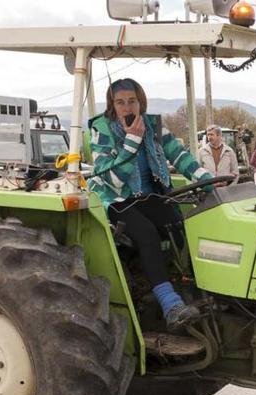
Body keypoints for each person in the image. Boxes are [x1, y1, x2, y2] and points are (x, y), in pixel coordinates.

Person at [88, 78, 212, 327]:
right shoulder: (102, 130)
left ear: (140, 101)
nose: (127, 108)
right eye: (120, 102)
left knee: (181, 225)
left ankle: (193, 289)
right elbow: (111, 179)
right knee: (146, 233)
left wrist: (207, 179)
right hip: (116, 198)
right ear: (113, 105)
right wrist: (131, 141)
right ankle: (171, 306)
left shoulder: (153, 125)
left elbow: (179, 155)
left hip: (150, 195)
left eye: (131, 101)